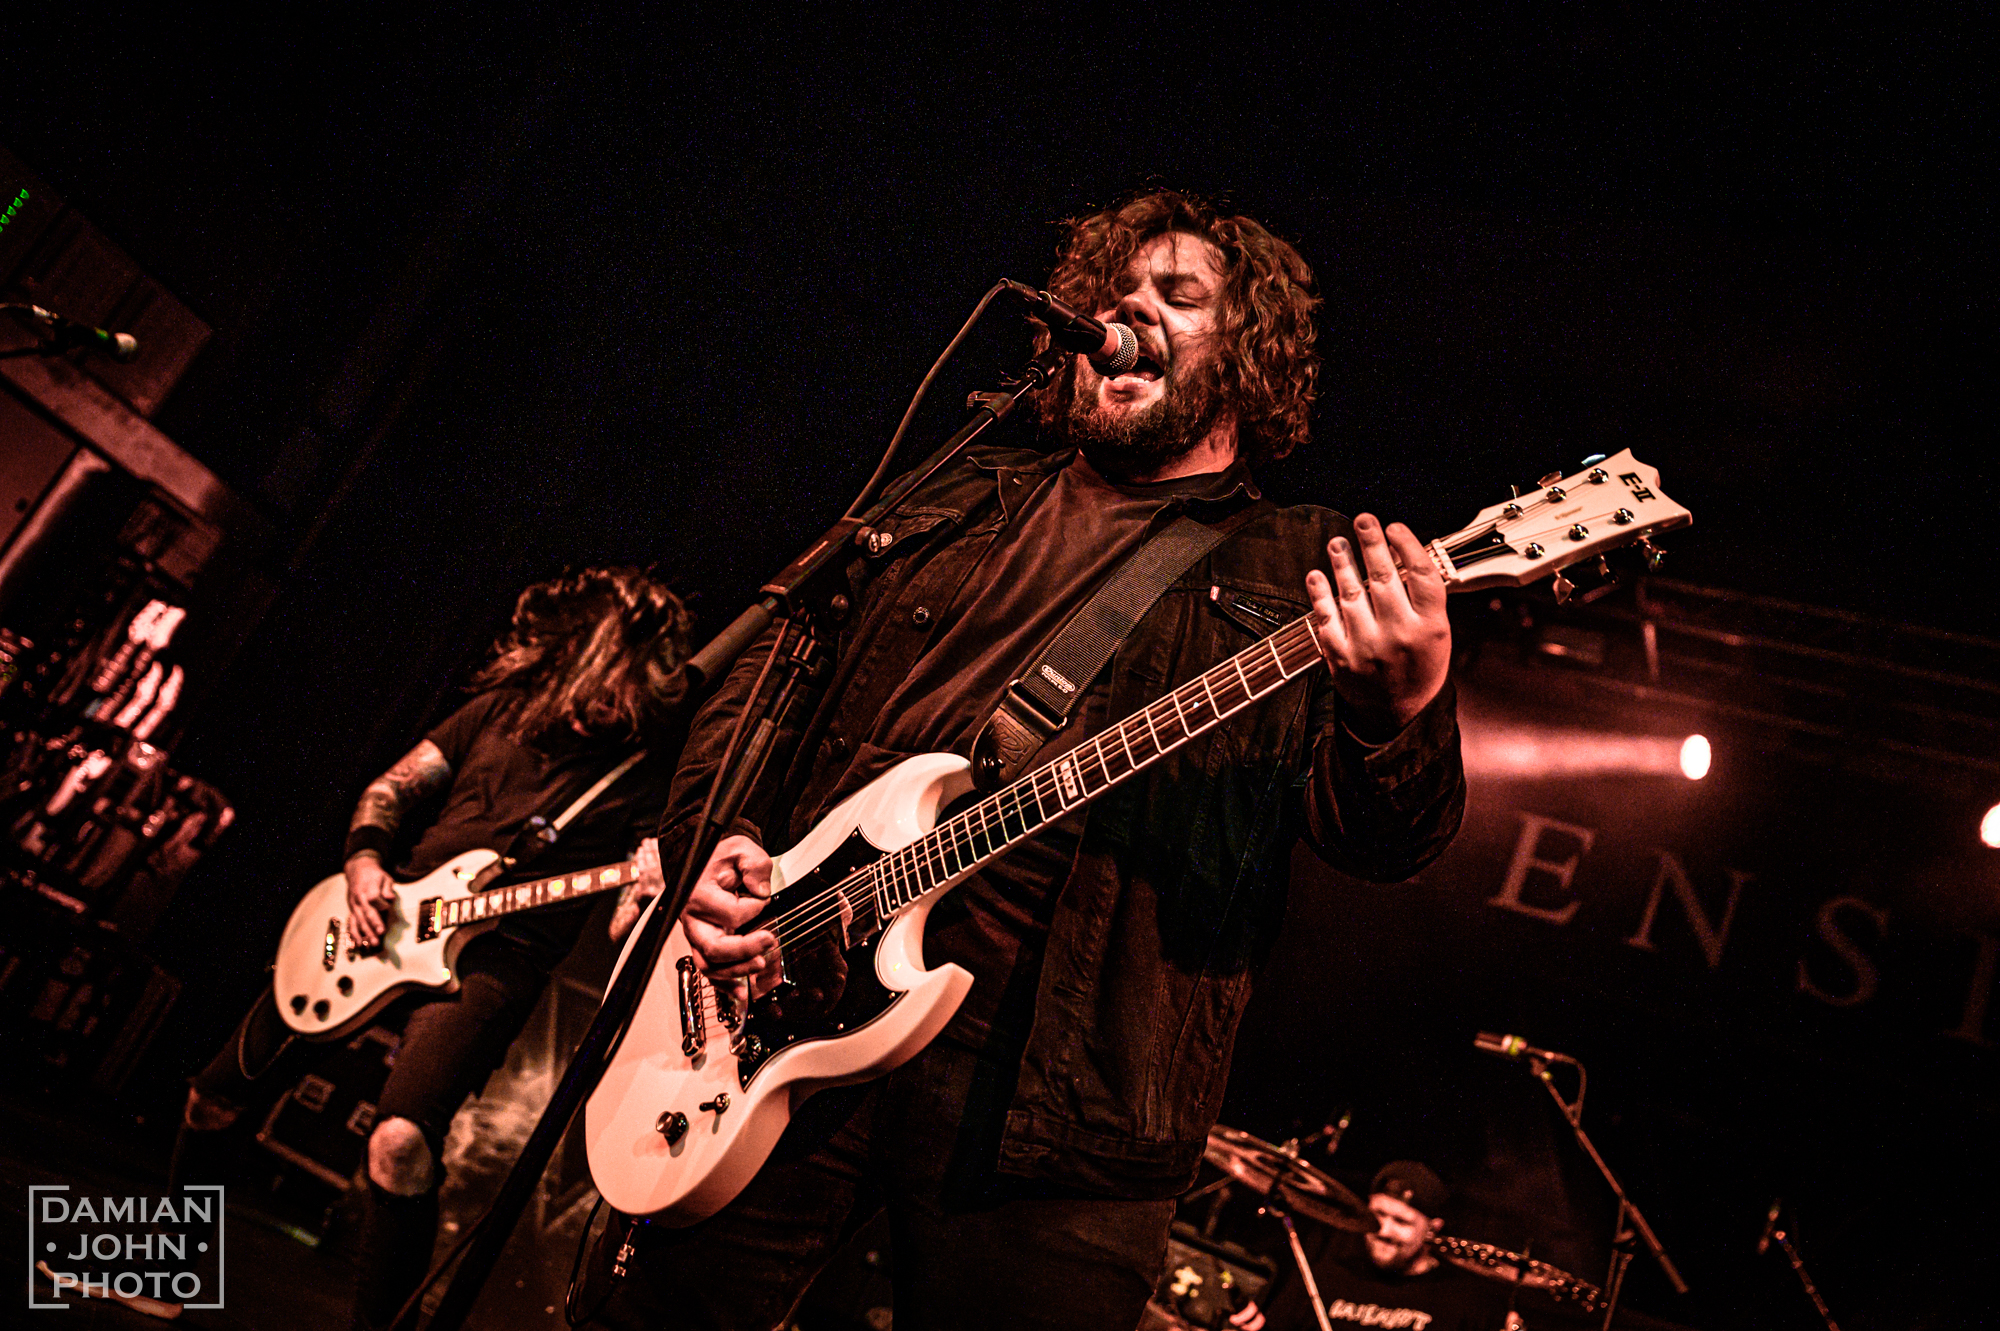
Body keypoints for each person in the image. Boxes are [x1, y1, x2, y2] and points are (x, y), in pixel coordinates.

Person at [593, 189, 1466, 1330]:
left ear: (1248, 354)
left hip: (1062, 1111)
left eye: (1177, 296)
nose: (1129, 310)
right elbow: (767, 682)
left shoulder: (1297, 565)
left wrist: (1398, 709)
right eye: (1117, 291)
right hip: (784, 998)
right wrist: (713, 844)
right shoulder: (958, 494)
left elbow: (1389, 839)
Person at [172, 566, 692, 1331]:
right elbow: (389, 790)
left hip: (496, 960)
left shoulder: (643, 777)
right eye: (618, 670)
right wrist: (364, 863)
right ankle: (170, 1273)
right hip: (383, 921)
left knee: (401, 1143)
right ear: (582, 654)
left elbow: (623, 923)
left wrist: (643, 891)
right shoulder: (501, 709)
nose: (630, 693)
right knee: (214, 1096)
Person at [1255, 1162, 1511, 1331]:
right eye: (1378, 1215)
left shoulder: (1463, 1303)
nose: (1384, 1231)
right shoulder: (1321, 1279)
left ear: (1433, 1228)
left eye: (1401, 1221)